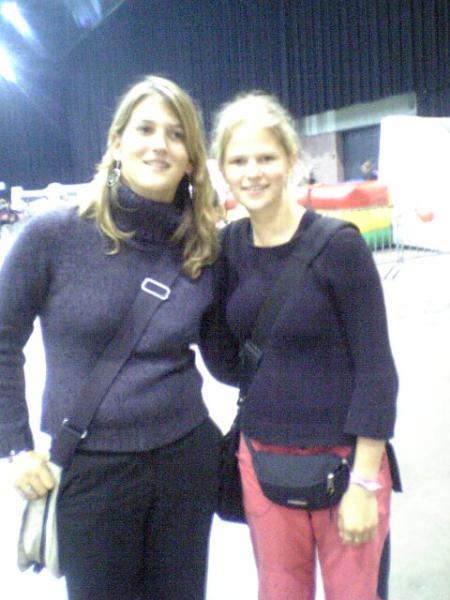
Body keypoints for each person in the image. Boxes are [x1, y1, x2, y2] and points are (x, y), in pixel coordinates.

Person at [0, 75, 223, 600]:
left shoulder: (201, 247)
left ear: (191, 159)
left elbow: (228, 355)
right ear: (117, 143)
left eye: (176, 134)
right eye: (145, 129)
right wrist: (15, 446)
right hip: (91, 470)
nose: (159, 144)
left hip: (186, 461)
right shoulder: (53, 235)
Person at [201, 92, 400, 600]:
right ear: (222, 170)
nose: (253, 172)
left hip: (345, 464)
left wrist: (365, 483)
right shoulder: (226, 250)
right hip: (261, 461)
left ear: (291, 160)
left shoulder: (339, 247)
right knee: (279, 592)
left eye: (266, 157)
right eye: (238, 161)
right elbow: (222, 358)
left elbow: (376, 370)